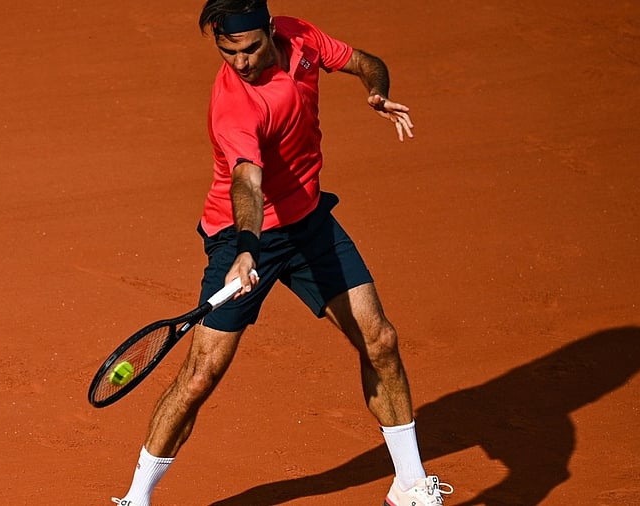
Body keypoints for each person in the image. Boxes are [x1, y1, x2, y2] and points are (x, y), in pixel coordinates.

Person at [111, 1, 453, 505]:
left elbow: (363, 61)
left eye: (250, 48)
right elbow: (246, 182)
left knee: (379, 339)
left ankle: (410, 483)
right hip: (243, 237)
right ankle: (136, 499)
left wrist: (377, 90)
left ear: (271, 31)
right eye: (229, 52)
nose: (241, 62)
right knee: (200, 375)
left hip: (309, 223)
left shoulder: (302, 38)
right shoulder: (234, 103)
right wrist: (247, 249)